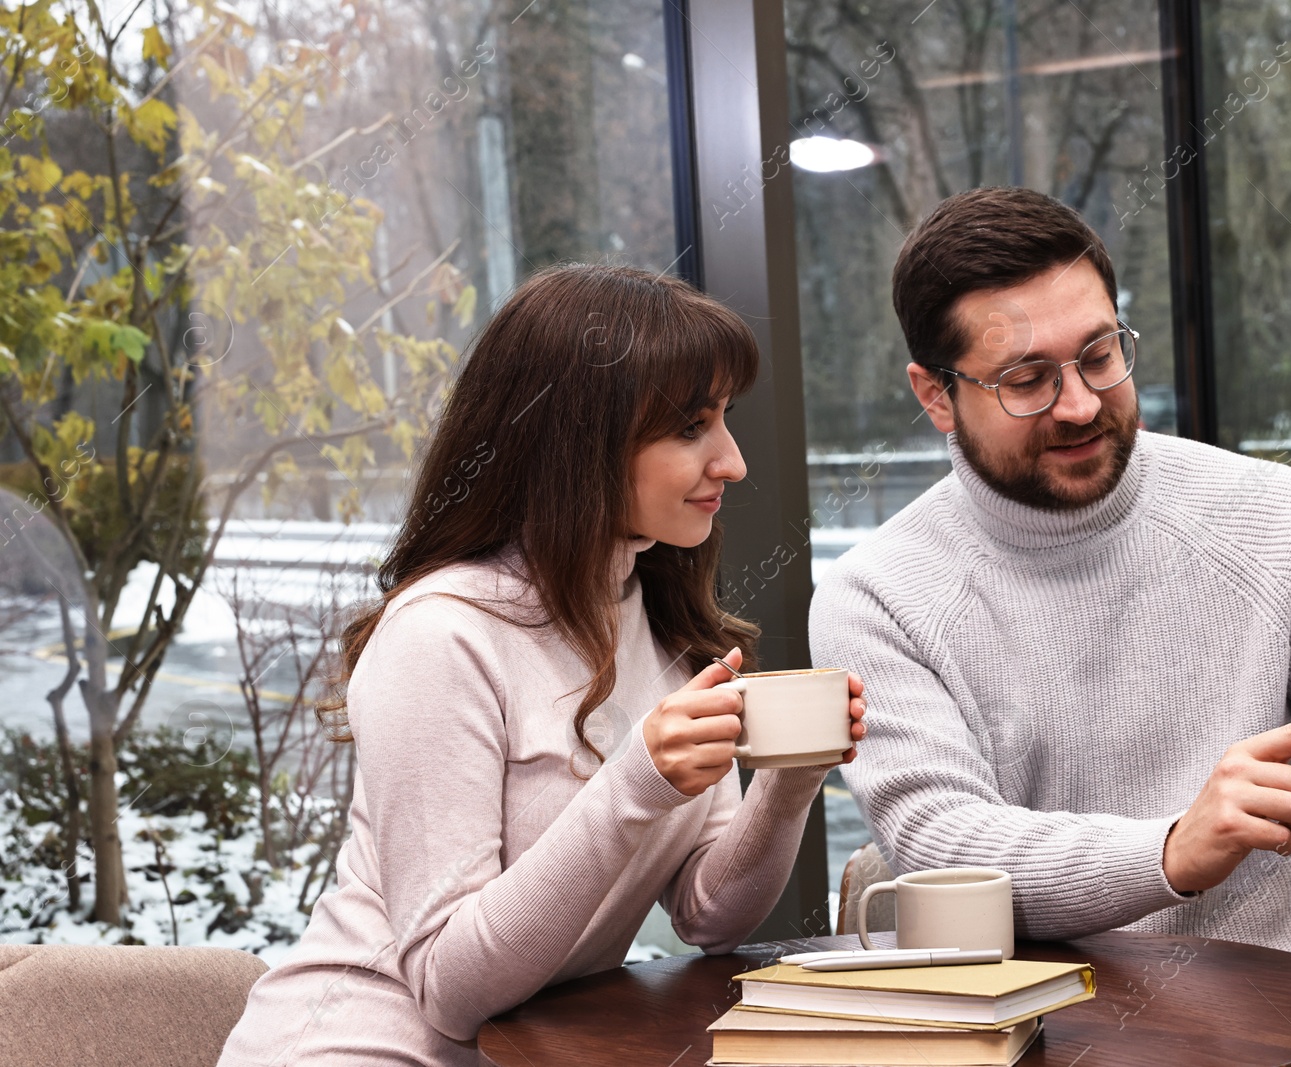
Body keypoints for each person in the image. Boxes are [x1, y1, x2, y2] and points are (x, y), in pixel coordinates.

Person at [810, 187, 1291, 1063]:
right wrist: (1174, 850)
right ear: (936, 395)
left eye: (1101, 355)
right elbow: (939, 843)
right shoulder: (876, 592)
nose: (1078, 404)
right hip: (1032, 1046)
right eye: (1027, 380)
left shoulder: (1276, 517)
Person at [219, 264, 867, 1066]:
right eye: (691, 427)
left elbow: (710, 915)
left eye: (725, 419)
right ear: (580, 441)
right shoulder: (440, 635)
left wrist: (791, 778)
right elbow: (449, 989)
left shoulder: (664, 627)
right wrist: (634, 785)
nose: (731, 460)